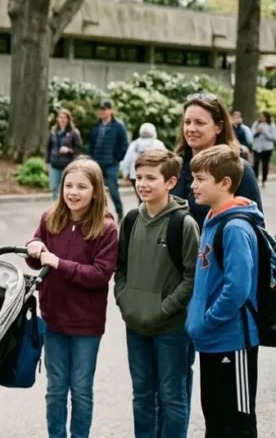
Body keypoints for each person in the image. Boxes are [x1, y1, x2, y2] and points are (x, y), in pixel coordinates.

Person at [25, 158, 119, 438]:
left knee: (80, 389)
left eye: (81, 187)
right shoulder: (50, 218)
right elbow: (39, 258)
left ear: (96, 190)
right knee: (55, 389)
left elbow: (99, 275)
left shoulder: (105, 228)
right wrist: (34, 247)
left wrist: (57, 262)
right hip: (53, 318)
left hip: (86, 324)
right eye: (68, 185)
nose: (73, 192)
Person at [115, 149, 198, 438]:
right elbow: (121, 268)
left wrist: (164, 309)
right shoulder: (129, 221)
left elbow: (192, 277)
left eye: (151, 178)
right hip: (135, 325)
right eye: (139, 177)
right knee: (142, 396)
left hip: (171, 328)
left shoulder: (183, 225)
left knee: (172, 397)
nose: (143, 184)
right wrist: (124, 301)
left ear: (170, 183)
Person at [186, 145, 261, 436]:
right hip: (211, 341)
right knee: (216, 421)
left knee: (238, 424)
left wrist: (207, 321)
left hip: (233, 341)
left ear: (225, 183)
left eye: (200, 179)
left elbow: (237, 289)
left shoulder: (235, 227)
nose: (193, 185)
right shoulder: (211, 218)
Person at [171, 94, 262, 230]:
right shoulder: (173, 166)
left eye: (199, 123)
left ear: (218, 127)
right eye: (187, 122)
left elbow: (255, 228)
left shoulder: (239, 169)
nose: (191, 129)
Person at [88, 99, 129, 217]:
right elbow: (91, 144)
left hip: (111, 164)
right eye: (101, 109)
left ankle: (119, 212)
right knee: (94, 191)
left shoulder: (118, 126)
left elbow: (124, 145)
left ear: (111, 110)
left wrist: (117, 158)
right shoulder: (96, 126)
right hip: (96, 163)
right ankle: (95, 215)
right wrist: (90, 157)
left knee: (113, 190)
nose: (102, 112)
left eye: (105, 109)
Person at [120, 123, 166, 202]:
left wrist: (125, 173)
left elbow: (127, 160)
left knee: (141, 197)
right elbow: (166, 159)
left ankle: (142, 209)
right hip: (153, 175)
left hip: (135, 175)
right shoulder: (158, 144)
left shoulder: (134, 144)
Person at [46, 109, 83, 201]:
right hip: (54, 163)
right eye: (60, 117)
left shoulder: (74, 132)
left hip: (67, 165)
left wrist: (69, 150)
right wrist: (47, 162)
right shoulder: (53, 131)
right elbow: (48, 147)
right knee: (54, 188)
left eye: (64, 118)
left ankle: (65, 209)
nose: (62, 120)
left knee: (65, 189)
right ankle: (55, 209)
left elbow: (78, 150)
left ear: (68, 119)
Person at [251, 110, 274, 187]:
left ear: (267, 118)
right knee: (256, 163)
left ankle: (264, 179)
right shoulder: (256, 124)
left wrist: (264, 132)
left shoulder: (271, 126)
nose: (261, 118)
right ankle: (255, 179)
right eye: (260, 117)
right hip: (257, 148)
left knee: (265, 165)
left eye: (263, 117)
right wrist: (257, 132)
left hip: (267, 148)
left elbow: (273, 137)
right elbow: (252, 134)